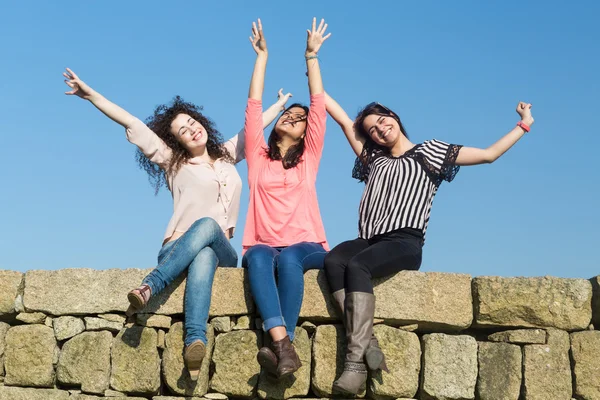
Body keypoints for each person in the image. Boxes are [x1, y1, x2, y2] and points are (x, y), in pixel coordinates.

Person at [63, 68, 290, 379]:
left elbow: (253, 127)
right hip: (176, 249)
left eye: (193, 123)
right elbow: (133, 123)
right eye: (184, 130)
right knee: (203, 254)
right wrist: (90, 95)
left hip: (223, 247)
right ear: (177, 140)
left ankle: (150, 286)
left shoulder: (226, 155)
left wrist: (279, 107)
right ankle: (195, 342)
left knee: (210, 230)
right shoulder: (173, 162)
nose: (192, 130)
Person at [324, 93, 535, 394]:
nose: (381, 130)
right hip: (370, 239)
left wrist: (524, 124)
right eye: (372, 130)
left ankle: (355, 363)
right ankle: (368, 340)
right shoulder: (374, 159)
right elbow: (344, 121)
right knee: (334, 260)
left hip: (404, 242)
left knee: (358, 266)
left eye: (383, 121)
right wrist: (312, 59)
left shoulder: (430, 151)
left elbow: (489, 155)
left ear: (394, 117)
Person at [241, 18, 330, 380]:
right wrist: (261, 57)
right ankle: (283, 346)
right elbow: (252, 108)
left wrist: (311, 58)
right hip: (264, 241)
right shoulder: (258, 159)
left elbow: (318, 105)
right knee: (257, 255)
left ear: (307, 132)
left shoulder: (308, 159)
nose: (292, 118)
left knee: (291, 256)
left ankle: (280, 342)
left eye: (298, 118)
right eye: (288, 114)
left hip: (308, 244)